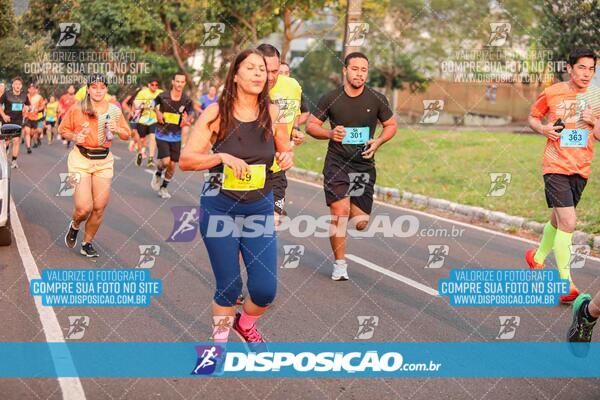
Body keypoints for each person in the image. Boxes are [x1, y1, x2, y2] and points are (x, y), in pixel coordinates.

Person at [179, 48, 293, 346]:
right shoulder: (217, 112)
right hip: (220, 208)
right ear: (236, 75)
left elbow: (283, 148)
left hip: (259, 207)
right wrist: (222, 158)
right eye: (251, 68)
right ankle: (217, 345)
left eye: (263, 70)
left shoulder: (272, 111)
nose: (259, 74)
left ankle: (245, 324)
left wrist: (287, 154)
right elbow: (187, 160)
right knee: (229, 287)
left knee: (265, 290)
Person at [306, 52, 398, 281]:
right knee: (340, 212)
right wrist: (329, 132)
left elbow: (391, 125)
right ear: (345, 71)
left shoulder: (376, 99)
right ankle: (340, 263)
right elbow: (311, 126)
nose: (359, 73)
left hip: (363, 165)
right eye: (355, 68)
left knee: (360, 222)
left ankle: (345, 214)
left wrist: (378, 141)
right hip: (337, 162)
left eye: (363, 69)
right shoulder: (330, 98)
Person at [525, 48, 600, 303]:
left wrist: (593, 122)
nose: (587, 73)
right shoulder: (553, 92)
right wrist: (543, 129)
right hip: (555, 165)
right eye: (582, 67)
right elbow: (533, 118)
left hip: (581, 168)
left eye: (591, 69)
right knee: (568, 221)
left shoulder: (596, 97)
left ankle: (536, 258)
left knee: (558, 221)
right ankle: (564, 283)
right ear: (569, 68)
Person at [59, 74, 131, 257]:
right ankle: (75, 225)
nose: (98, 90)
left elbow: (126, 134)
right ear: (88, 89)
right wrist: (75, 137)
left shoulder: (114, 110)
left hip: (103, 161)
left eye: (102, 87)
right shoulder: (77, 108)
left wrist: (117, 129)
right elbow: (63, 130)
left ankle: (87, 243)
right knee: (84, 208)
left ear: (106, 89)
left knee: (99, 207)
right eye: (94, 86)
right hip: (80, 160)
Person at [257, 44, 305, 221]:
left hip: (276, 171)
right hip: (248, 170)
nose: (270, 77)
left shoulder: (292, 86)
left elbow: (295, 114)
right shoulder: (245, 89)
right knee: (245, 233)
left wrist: (295, 130)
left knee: (272, 222)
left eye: (275, 71)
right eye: (266, 71)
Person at [150, 72, 194, 199]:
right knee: (166, 161)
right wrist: (157, 112)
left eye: (182, 82)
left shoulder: (186, 100)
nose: (179, 84)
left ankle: (163, 188)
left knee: (172, 165)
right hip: (162, 134)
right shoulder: (163, 96)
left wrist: (187, 119)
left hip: (176, 136)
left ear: (184, 83)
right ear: (173, 82)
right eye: (177, 81)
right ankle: (158, 172)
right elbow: (152, 104)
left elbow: (190, 113)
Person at [0, 77, 30, 168]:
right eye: (16, 84)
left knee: (16, 140)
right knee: (7, 141)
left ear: (21, 86)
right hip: (7, 120)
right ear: (13, 85)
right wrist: (4, 115)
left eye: (19, 84)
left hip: (18, 121)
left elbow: (28, 105)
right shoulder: (6, 94)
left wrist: (26, 108)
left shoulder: (24, 95)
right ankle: (5, 152)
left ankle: (14, 161)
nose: (18, 86)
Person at [133, 79, 162, 168]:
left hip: (154, 120)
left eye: (156, 85)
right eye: (152, 84)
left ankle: (150, 159)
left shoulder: (160, 93)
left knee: (153, 137)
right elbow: (136, 104)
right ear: (149, 85)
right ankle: (141, 152)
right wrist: (144, 106)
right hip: (143, 119)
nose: (154, 86)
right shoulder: (142, 93)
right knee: (142, 140)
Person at [279, 62, 310, 127]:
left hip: (290, 133)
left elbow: (305, 113)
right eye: (280, 73)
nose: (284, 75)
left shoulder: (295, 89)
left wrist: (292, 127)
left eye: (286, 73)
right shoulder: (268, 90)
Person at [23, 84, 45, 151]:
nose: (32, 90)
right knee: (27, 132)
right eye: (30, 89)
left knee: (32, 132)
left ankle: (32, 139)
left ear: (35, 90)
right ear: (28, 90)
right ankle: (28, 147)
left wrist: (38, 109)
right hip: (27, 116)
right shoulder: (25, 96)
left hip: (35, 117)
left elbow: (42, 106)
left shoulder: (39, 97)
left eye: (33, 89)